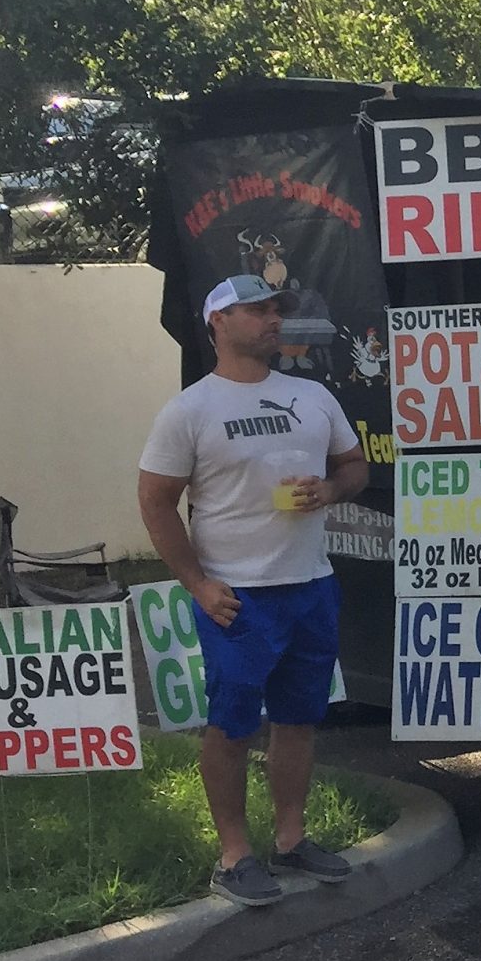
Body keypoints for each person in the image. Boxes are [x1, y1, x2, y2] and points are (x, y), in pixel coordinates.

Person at [135, 275, 369, 907]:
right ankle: (233, 854)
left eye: (275, 311)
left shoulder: (312, 396)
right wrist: (198, 584)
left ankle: (291, 839)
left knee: (298, 721)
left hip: (311, 586)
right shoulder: (190, 410)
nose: (272, 320)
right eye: (257, 311)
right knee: (232, 727)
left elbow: (354, 466)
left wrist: (332, 489)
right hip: (237, 597)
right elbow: (155, 501)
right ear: (217, 322)